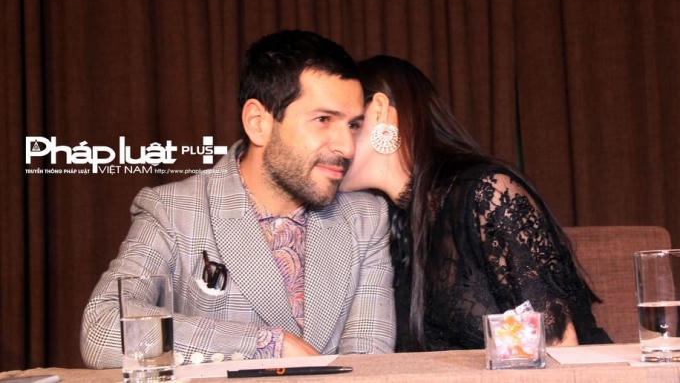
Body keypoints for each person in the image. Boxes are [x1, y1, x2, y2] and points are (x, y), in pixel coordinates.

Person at [80, 31, 396, 368]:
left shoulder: (366, 218)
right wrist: (265, 346)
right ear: (258, 123)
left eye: (353, 125)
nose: (346, 147)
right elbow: (103, 328)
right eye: (323, 120)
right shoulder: (173, 210)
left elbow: (368, 363)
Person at [340, 55, 611, 352]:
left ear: (379, 111)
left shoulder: (486, 193)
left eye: (348, 123)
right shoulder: (384, 224)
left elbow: (557, 345)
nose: (331, 142)